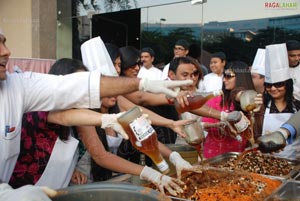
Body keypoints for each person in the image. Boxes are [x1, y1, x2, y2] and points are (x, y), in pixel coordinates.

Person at [0, 30, 192, 199]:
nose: (111, 96)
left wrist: (171, 139)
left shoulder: (113, 100)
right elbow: (73, 126)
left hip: (69, 183)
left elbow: (138, 117)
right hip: (28, 187)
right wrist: (105, 119)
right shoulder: (53, 107)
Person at [201, 61, 260, 158]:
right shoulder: (217, 99)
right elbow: (204, 124)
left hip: (240, 155)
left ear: (241, 77)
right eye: (224, 76)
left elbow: (255, 130)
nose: (224, 80)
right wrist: (220, 125)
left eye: (228, 76)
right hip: (214, 153)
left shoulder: (252, 101)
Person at [257, 43, 300, 159]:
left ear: (288, 85)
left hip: (293, 162)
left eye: (279, 84)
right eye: (269, 85)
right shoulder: (261, 105)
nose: (273, 89)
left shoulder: (297, 106)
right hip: (265, 160)